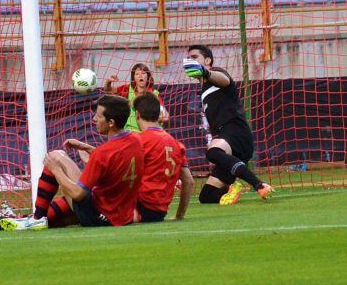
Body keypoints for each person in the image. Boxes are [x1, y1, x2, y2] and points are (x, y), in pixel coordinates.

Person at [0, 95, 143, 230]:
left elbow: (77, 194)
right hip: (122, 214)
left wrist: (56, 170)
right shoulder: (135, 140)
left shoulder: (102, 153)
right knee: (61, 219)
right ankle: (23, 220)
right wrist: (87, 147)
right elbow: (114, 158)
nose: (94, 119)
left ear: (111, 122)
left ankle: (36, 219)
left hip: (99, 216)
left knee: (55, 157)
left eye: (98, 116)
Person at [183, 44, 274, 205]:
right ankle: (234, 188)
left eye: (194, 57)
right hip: (230, 146)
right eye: (188, 58)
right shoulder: (203, 88)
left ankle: (259, 185)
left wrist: (206, 72)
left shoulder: (217, 73)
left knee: (212, 152)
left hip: (236, 133)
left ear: (208, 60)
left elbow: (224, 80)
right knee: (207, 196)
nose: (190, 60)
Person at [132, 92, 193, 222]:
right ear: (158, 115)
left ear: (137, 115)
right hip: (159, 213)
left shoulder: (139, 140)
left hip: (139, 205)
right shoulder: (176, 144)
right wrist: (179, 215)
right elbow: (189, 181)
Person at [105, 62, 169, 132]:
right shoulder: (127, 89)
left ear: (148, 76)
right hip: (132, 133)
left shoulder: (154, 94)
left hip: (149, 133)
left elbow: (165, 116)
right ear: (134, 78)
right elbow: (108, 90)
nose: (140, 76)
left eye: (143, 73)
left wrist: (154, 119)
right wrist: (108, 81)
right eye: (137, 74)